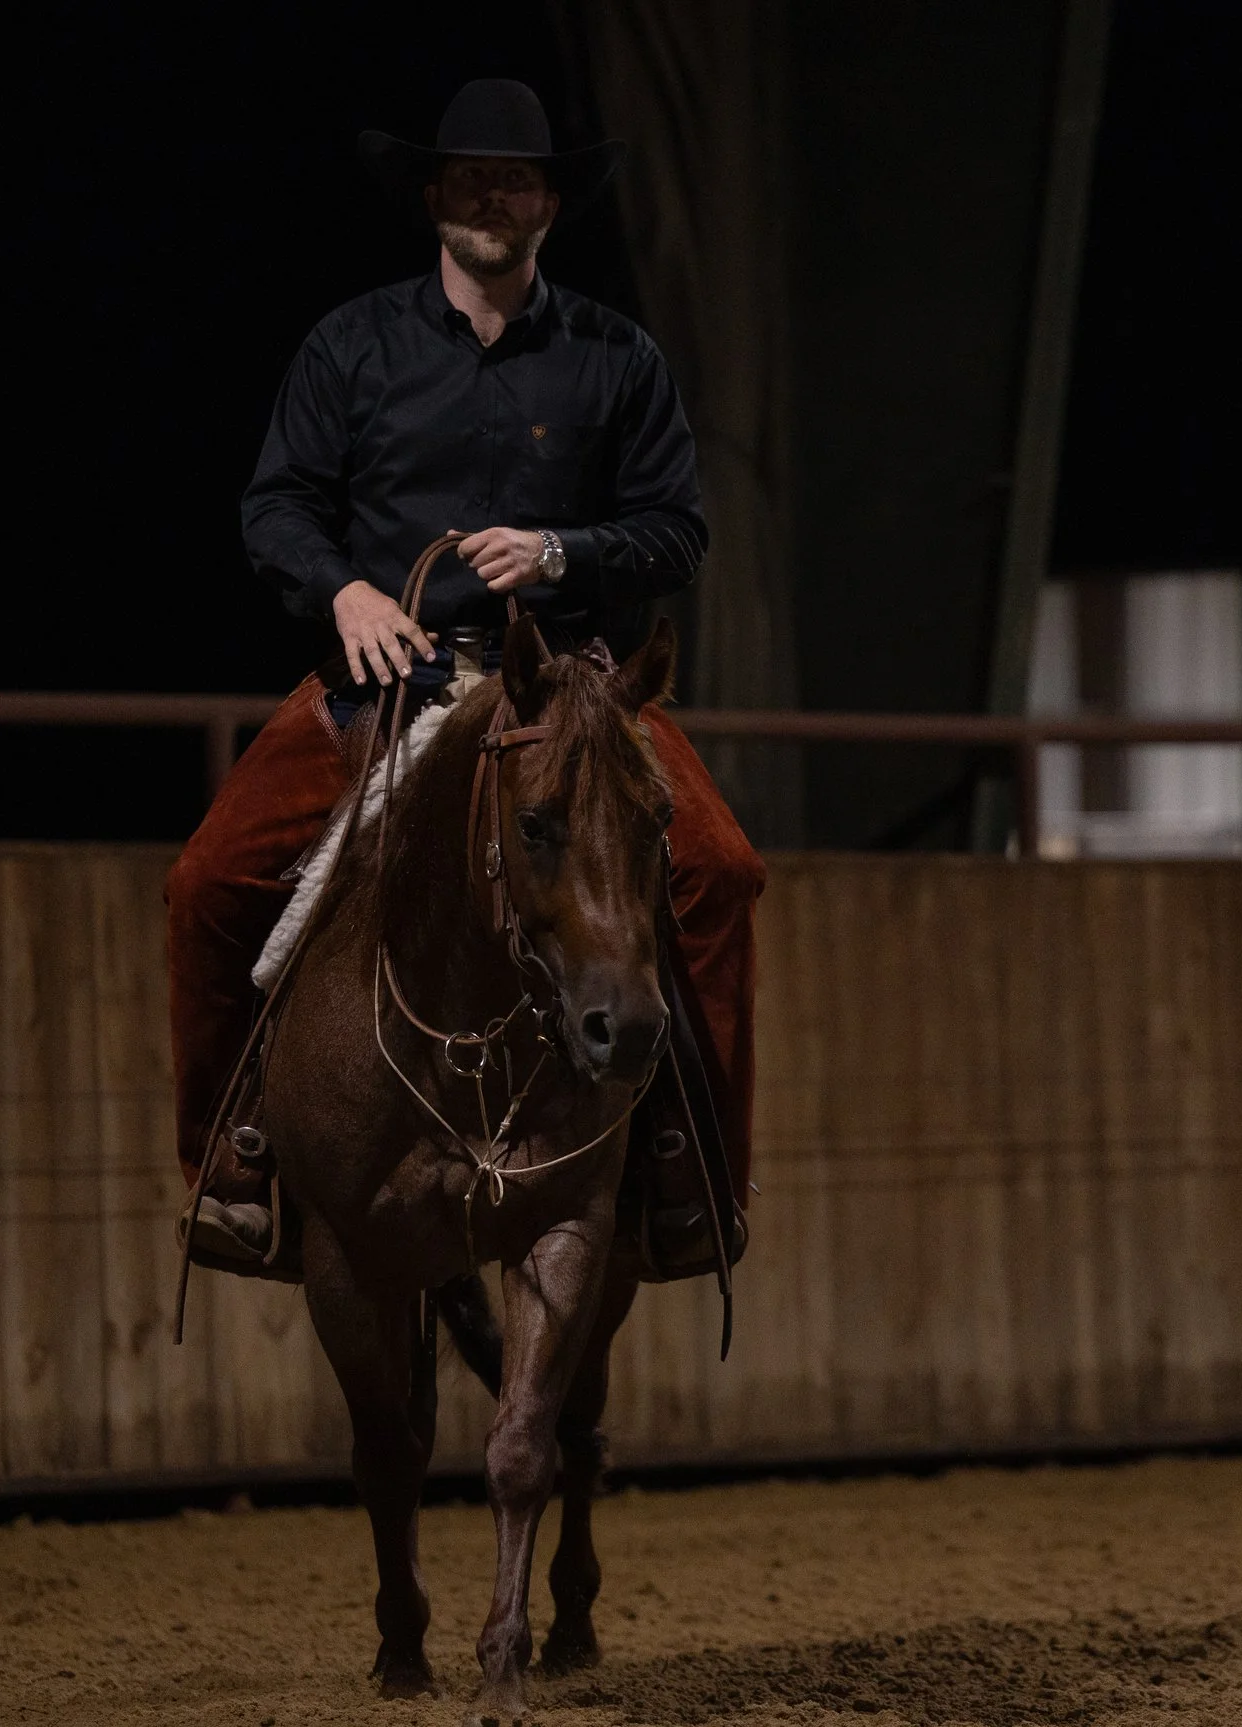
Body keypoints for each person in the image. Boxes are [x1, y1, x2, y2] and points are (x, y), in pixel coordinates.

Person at [165, 78, 763, 1276]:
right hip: (393, 676)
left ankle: (693, 1169)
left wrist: (566, 551)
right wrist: (344, 590)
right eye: (474, 176)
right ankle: (230, 1159)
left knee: (718, 871)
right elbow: (276, 504)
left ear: (550, 203)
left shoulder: (617, 358)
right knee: (206, 882)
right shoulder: (351, 344)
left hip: (569, 689)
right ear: (435, 196)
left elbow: (679, 531)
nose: (496, 196)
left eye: (520, 178)